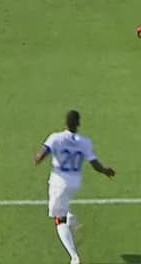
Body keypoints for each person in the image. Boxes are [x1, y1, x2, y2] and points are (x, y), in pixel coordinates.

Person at [33, 110, 115, 264]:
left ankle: (74, 257)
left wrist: (37, 158)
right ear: (78, 124)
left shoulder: (55, 138)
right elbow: (95, 164)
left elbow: (42, 155)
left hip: (59, 183)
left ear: (65, 123)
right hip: (75, 183)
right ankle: (74, 222)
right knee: (62, 206)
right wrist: (105, 171)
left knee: (59, 219)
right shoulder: (85, 142)